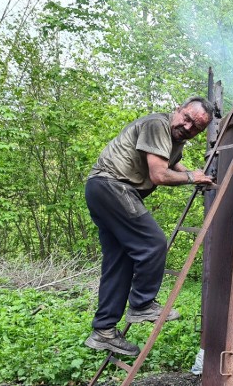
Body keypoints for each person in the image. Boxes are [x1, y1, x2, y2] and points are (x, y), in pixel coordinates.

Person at [84, 98, 215, 357]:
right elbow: (159, 175)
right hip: (114, 187)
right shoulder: (158, 124)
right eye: (187, 118)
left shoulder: (174, 140)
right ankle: (142, 304)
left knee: (119, 263)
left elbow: (172, 164)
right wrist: (191, 177)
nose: (187, 127)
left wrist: (194, 175)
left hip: (102, 190)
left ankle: (104, 330)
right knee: (153, 244)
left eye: (195, 128)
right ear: (178, 110)